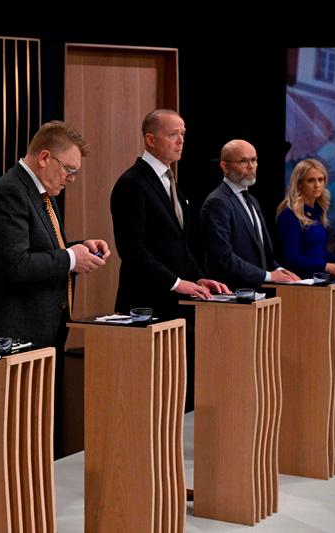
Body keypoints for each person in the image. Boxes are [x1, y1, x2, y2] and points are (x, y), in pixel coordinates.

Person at [0, 120, 110, 456]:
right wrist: (70, 259)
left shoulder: (41, 193)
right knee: (9, 438)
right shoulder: (9, 192)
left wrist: (79, 247)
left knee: (32, 435)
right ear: (45, 157)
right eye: (69, 170)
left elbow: (43, 249)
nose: (71, 179)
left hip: (42, 331)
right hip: (12, 331)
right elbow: (16, 265)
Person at [110, 110, 229, 414]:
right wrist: (176, 283)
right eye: (173, 134)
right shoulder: (132, 183)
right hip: (146, 303)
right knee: (147, 398)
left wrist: (199, 278)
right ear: (150, 139)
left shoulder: (171, 180)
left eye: (183, 133)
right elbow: (132, 250)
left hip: (176, 305)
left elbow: (179, 245)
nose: (181, 141)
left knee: (173, 395)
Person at [200, 139, 300, 288]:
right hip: (232, 295)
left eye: (254, 160)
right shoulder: (217, 202)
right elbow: (223, 257)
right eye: (243, 161)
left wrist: (279, 269)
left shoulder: (252, 200)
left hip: (257, 295)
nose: (251, 166)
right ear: (224, 167)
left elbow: (262, 251)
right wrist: (268, 276)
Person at [275, 158, 335, 281]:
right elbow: (290, 258)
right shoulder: (289, 215)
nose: (317, 185)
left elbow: (318, 253)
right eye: (311, 180)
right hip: (300, 283)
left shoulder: (317, 212)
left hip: (318, 281)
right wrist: (326, 266)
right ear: (299, 184)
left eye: (320, 180)